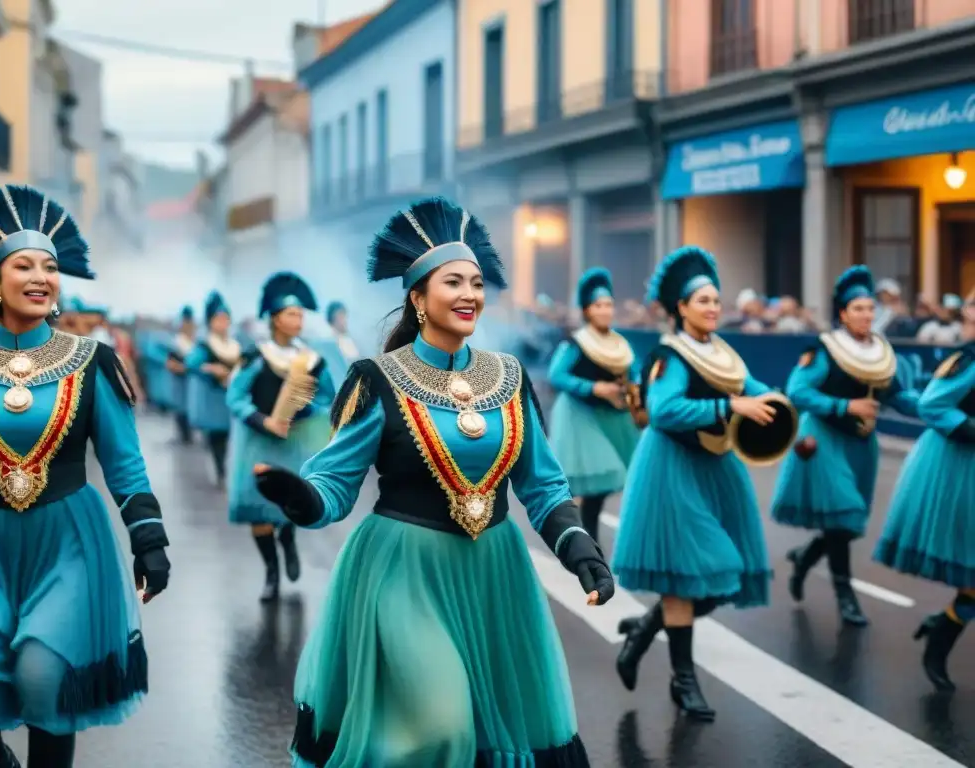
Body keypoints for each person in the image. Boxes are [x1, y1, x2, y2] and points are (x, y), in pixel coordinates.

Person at [253, 197, 613, 766]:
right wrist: (301, 497)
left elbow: (542, 484)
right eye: (453, 282)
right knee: (438, 728)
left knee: (486, 739)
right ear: (418, 297)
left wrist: (579, 546)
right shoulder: (376, 379)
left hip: (495, 575)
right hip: (403, 573)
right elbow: (335, 482)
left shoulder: (509, 377)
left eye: (476, 282)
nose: (470, 293)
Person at [0, 184, 171, 768]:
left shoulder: (92, 360)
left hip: (68, 543)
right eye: (23, 265)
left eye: (50, 266)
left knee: (47, 678)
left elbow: (124, 463)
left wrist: (148, 538)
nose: (40, 276)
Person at [610, 246, 774, 722]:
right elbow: (662, 411)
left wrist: (780, 408)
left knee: (724, 574)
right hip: (674, 469)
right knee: (691, 576)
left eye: (716, 301)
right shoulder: (671, 356)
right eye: (703, 301)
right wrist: (729, 407)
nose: (713, 308)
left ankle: (642, 632)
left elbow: (755, 389)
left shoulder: (724, 353)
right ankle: (684, 680)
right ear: (682, 308)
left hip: (716, 468)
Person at [770, 266, 918, 627]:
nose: (866, 315)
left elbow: (899, 395)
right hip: (824, 439)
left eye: (870, 309)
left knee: (848, 525)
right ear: (842, 314)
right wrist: (844, 406)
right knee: (844, 515)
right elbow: (798, 391)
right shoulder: (825, 349)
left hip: (861, 445)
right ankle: (845, 596)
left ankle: (806, 557)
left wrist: (935, 407)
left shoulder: (882, 351)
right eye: (858, 309)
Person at [874, 287, 975, 691]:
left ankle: (942, 625)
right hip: (960, 467)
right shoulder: (968, 359)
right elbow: (934, 406)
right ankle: (940, 639)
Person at [226, 273, 335, 602]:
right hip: (259, 442)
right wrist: (264, 421)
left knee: (286, 502)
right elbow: (235, 398)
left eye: (301, 314)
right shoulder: (256, 357)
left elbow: (328, 396)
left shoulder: (313, 360)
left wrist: (302, 411)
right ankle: (271, 572)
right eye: (291, 314)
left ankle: (287, 540)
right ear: (274, 319)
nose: (298, 320)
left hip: (293, 441)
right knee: (258, 507)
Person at [547, 267, 641, 543]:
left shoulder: (620, 343)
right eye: (599, 305)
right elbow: (557, 375)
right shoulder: (577, 342)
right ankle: (587, 542)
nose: (605, 310)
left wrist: (633, 390)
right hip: (581, 416)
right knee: (596, 482)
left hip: (613, 417)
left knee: (602, 489)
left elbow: (633, 372)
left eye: (609, 305)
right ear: (588, 310)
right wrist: (594, 387)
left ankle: (586, 539)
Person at [185, 291, 239, 485]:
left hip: (230, 398)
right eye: (219, 319)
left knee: (227, 437)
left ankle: (223, 469)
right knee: (217, 437)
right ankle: (220, 471)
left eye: (226, 319)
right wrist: (210, 369)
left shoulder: (234, 345)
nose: (223, 323)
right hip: (213, 399)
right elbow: (191, 363)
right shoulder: (205, 345)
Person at [165, 306, 197, 443]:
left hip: (191, 381)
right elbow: (170, 364)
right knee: (181, 408)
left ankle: (189, 435)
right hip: (180, 381)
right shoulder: (177, 342)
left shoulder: (194, 342)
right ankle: (184, 436)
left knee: (190, 407)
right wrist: (185, 368)